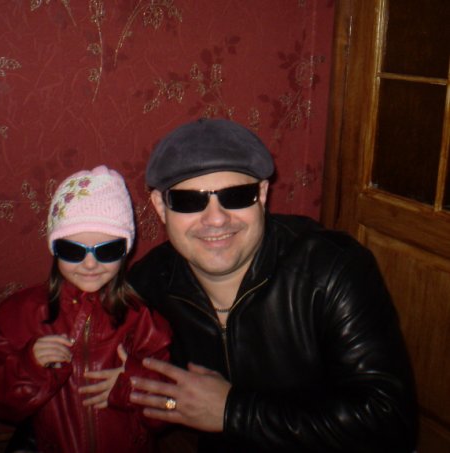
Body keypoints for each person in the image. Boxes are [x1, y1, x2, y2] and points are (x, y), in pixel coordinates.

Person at [126, 118, 418, 452]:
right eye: (189, 201)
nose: (216, 218)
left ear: (262, 195)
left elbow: (390, 421)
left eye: (237, 196)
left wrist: (233, 411)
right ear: (160, 207)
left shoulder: (331, 270)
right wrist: (165, 404)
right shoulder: (148, 286)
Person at [0, 165, 172, 453]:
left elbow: (169, 408)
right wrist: (29, 366)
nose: (90, 264)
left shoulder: (142, 318)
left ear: (125, 251)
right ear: (54, 248)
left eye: (107, 250)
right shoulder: (22, 315)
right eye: (73, 250)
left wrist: (130, 386)